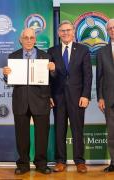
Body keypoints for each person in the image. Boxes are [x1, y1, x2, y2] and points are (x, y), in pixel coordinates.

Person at [3, 28, 55, 175]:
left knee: (42, 135)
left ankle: (41, 163)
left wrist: (53, 70)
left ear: (35, 40)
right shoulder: (13, 56)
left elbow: (53, 80)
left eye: (31, 37)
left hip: (41, 101)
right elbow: (10, 80)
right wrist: (6, 75)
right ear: (21, 40)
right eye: (26, 37)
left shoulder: (46, 56)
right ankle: (23, 164)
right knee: (21, 135)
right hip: (20, 101)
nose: (29, 40)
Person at [48, 20, 92, 173]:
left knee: (77, 129)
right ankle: (60, 161)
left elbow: (88, 75)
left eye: (68, 30)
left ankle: (80, 161)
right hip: (58, 97)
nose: (65, 33)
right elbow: (48, 77)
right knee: (59, 129)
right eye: (62, 31)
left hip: (77, 97)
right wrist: (49, 95)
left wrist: (86, 95)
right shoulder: (51, 51)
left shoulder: (83, 50)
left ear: (73, 32)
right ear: (59, 33)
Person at [96, 19, 114, 172]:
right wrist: (100, 97)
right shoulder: (102, 52)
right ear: (107, 31)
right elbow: (100, 77)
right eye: (110, 28)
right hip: (109, 99)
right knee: (112, 133)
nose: (113, 30)